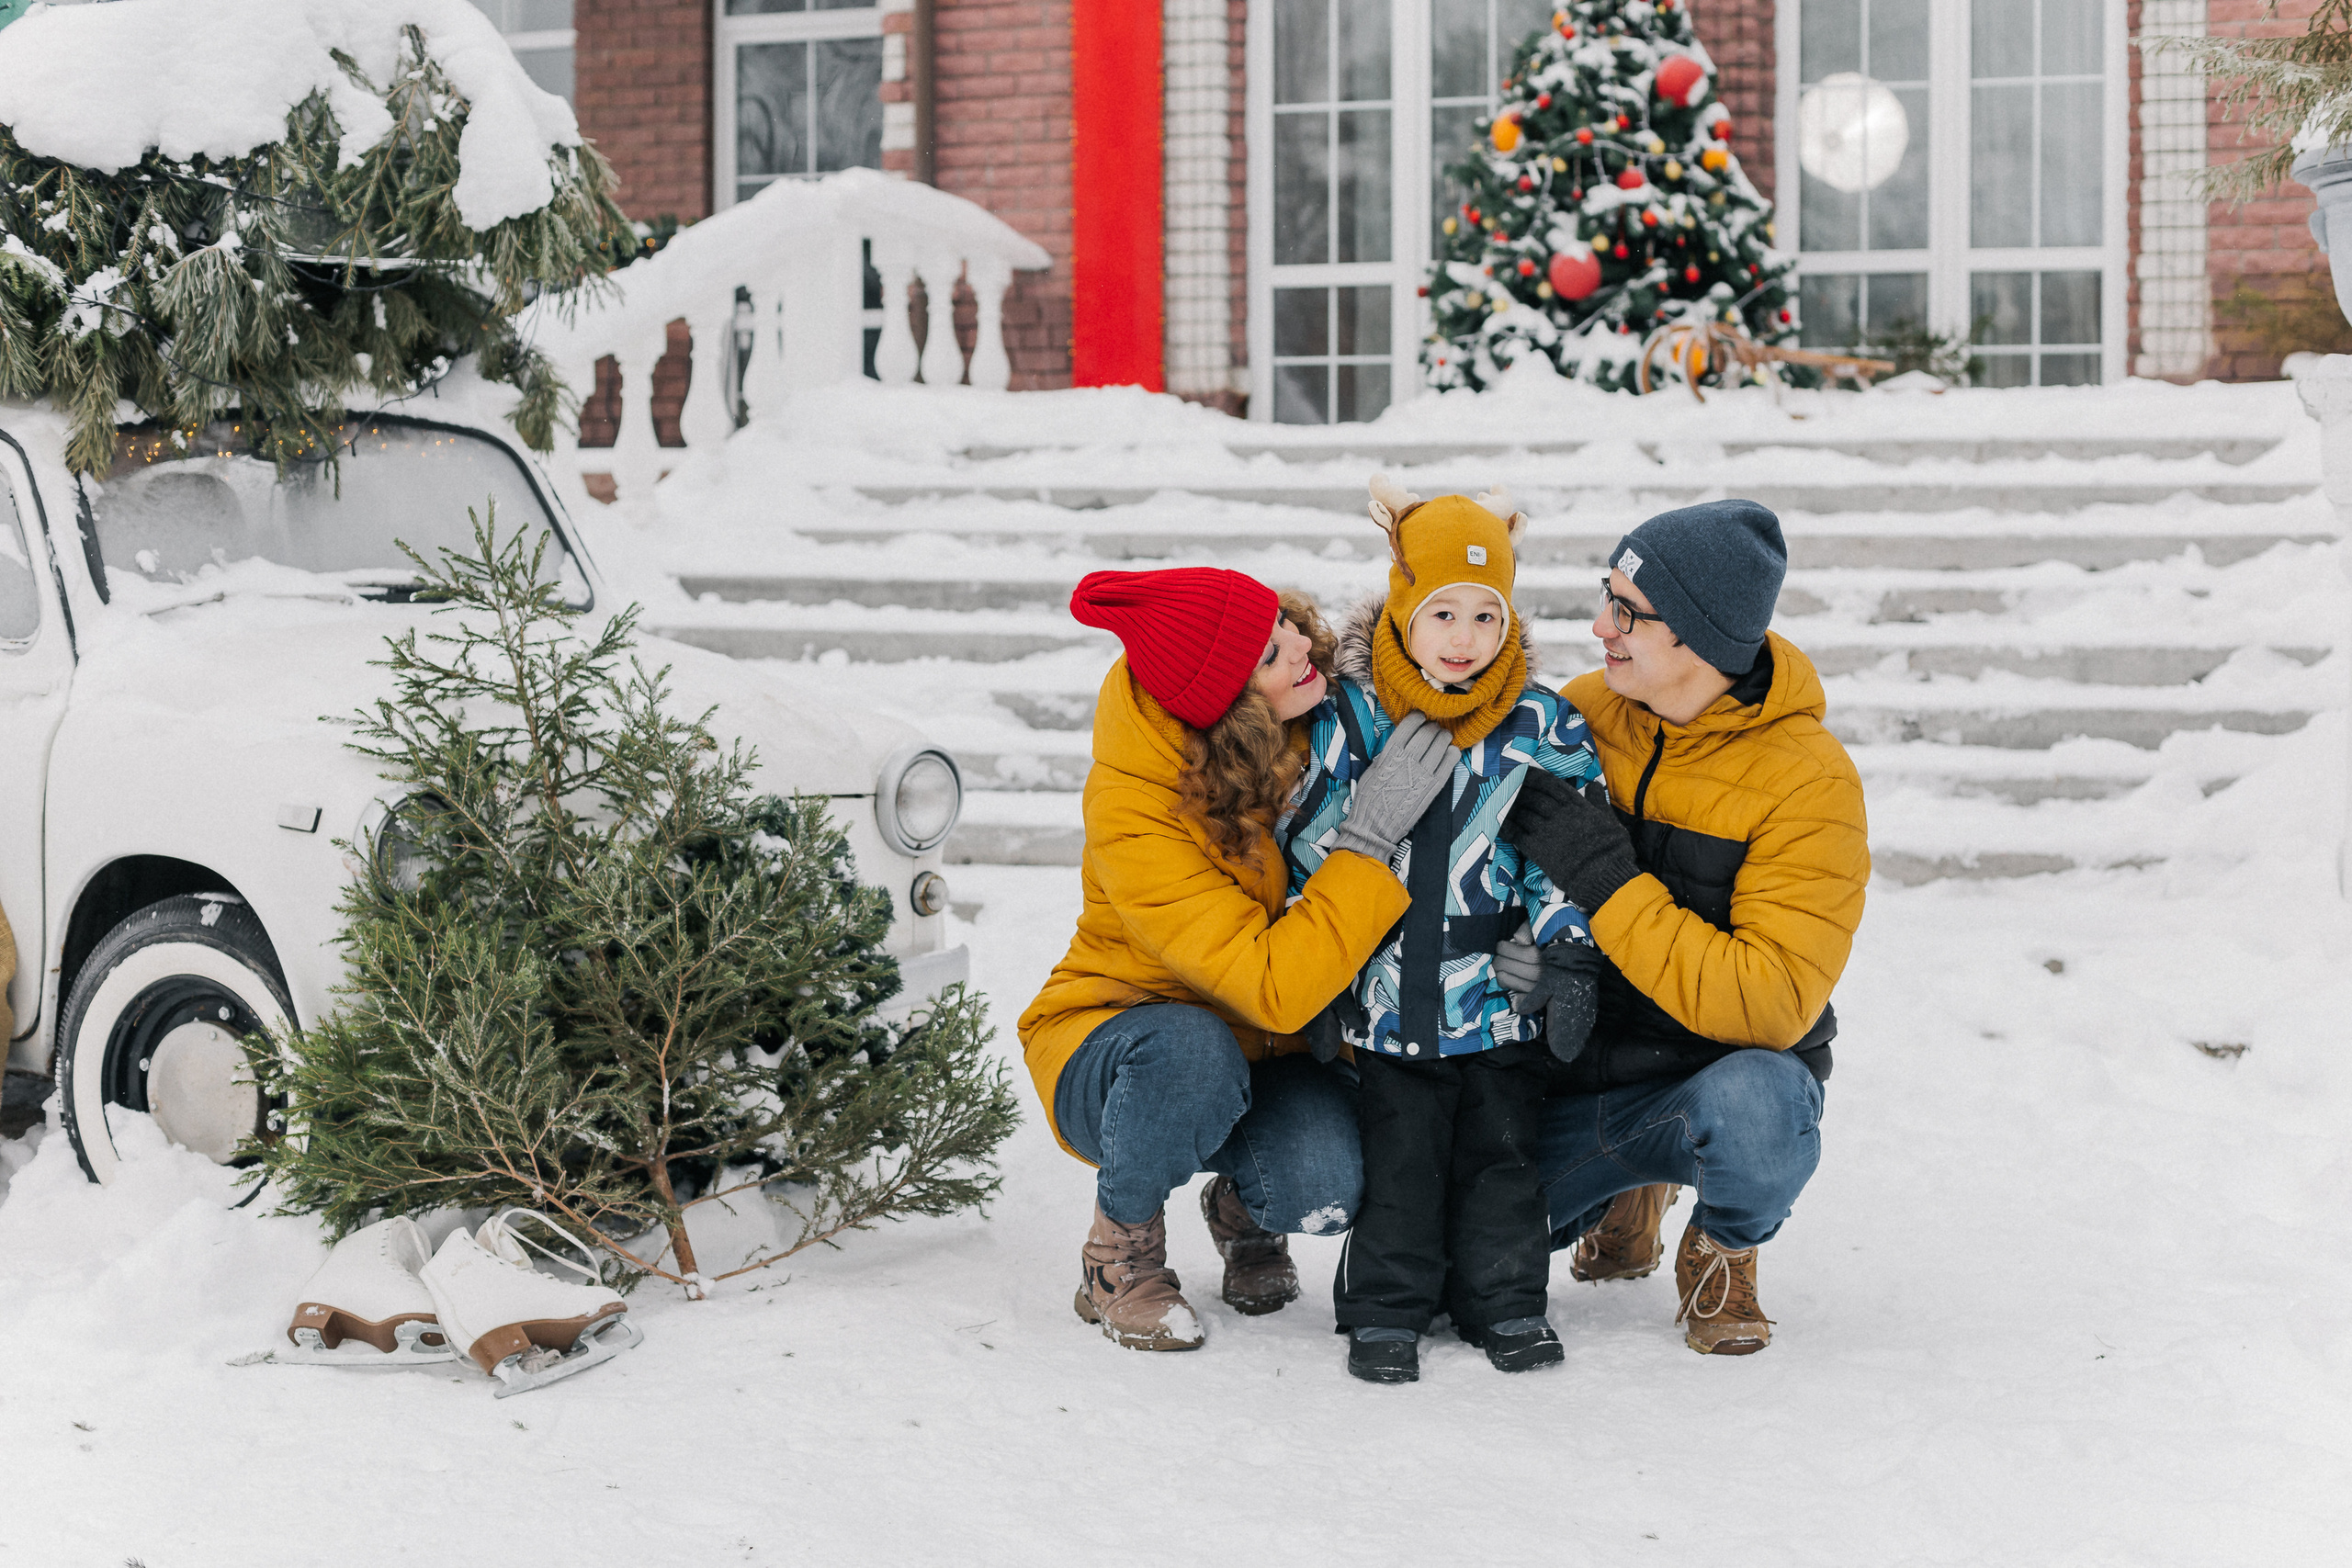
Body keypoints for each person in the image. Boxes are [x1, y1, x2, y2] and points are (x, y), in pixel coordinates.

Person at [1018, 566, 1460, 1352]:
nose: (1300, 648)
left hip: (1266, 1048)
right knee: (1190, 1051)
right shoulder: (1136, 806)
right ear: (1223, 705)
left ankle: (1243, 1207)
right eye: (1267, 654)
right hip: (1122, 1046)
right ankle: (1120, 1257)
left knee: (1328, 1181)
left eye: (1284, 624)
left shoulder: (1296, 724)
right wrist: (1367, 842)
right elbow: (1270, 982)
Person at [1498, 499, 1870, 1356]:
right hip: (1562, 1074)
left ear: (1698, 636)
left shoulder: (1809, 784)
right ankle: (1624, 1196)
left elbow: (1769, 1001)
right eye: (1607, 595)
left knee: (1764, 1106)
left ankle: (1724, 1243)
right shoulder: (1578, 716)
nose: (1601, 625)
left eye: (1628, 610)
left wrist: (1609, 882)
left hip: (1701, 1086)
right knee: (1452, 1267)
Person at [1280, 479, 1606, 1384]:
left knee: (1502, 1160)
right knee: (1403, 1160)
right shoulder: (1350, 719)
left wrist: (1565, 952)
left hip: (1493, 996)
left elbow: (1566, 848)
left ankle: (1504, 1301)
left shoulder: (1537, 725)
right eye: (1442, 614)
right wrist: (1317, 970)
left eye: (1485, 617)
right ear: (1400, 608)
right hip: (1387, 999)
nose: (1464, 639)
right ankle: (1387, 1307)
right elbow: (1307, 844)